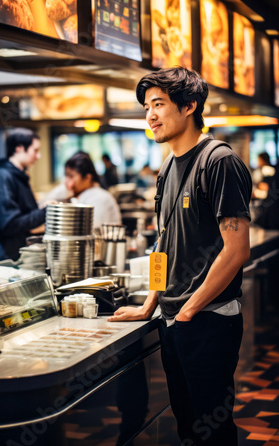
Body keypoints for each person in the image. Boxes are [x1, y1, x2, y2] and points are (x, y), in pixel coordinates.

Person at [108, 66, 252, 446]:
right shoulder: (167, 167)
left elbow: (237, 249)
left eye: (158, 104)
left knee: (212, 428)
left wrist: (189, 309)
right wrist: (148, 304)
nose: (150, 115)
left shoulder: (218, 161)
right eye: (145, 107)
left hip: (209, 319)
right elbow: (163, 243)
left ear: (189, 106)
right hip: (174, 319)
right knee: (187, 424)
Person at [0, 128, 48, 268]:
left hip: (14, 258)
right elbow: (10, 224)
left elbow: (25, 217)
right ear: (19, 148)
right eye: (35, 150)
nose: (38, 156)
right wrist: (45, 211)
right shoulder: (2, 176)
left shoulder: (21, 176)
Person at [65, 151, 122, 229]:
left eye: (71, 176)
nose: (67, 182)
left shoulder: (99, 197)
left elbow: (92, 229)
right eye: (66, 176)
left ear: (88, 178)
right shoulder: (82, 194)